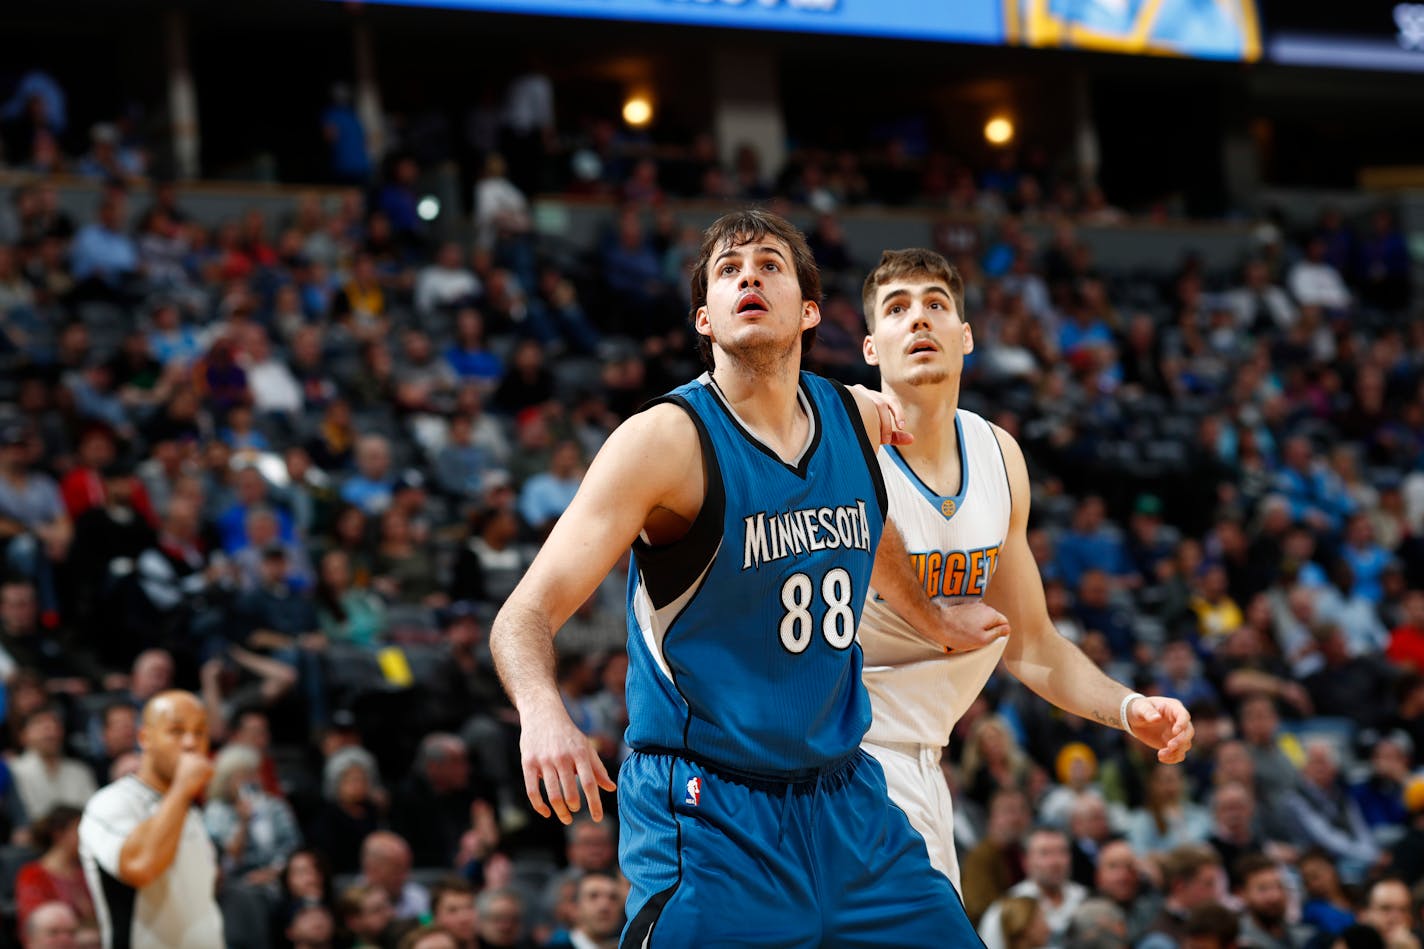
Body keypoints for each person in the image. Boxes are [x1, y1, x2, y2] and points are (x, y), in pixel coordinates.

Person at [490, 209, 986, 945]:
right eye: (728, 270)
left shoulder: (856, 417)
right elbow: (521, 616)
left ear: (810, 310)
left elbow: (870, 519)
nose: (748, 275)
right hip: (709, 812)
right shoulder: (663, 441)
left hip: (847, 802)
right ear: (705, 320)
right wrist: (542, 712)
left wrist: (934, 619)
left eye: (769, 264)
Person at [854, 247, 1194, 891]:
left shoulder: (997, 453)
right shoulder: (841, 446)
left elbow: (1032, 642)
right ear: (871, 348)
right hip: (838, 751)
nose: (919, 320)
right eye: (897, 309)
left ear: (967, 336)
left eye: (936, 305)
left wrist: (1128, 708)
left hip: (923, 754)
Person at [77, 690, 224, 948]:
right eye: (176, 731)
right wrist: (181, 789)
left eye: (200, 732)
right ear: (145, 738)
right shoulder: (111, 803)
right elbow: (140, 866)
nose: (191, 743)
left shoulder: (190, 811)